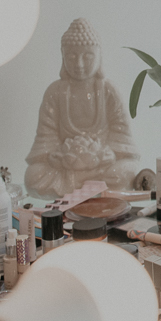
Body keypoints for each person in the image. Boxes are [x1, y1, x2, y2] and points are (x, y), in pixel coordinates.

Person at [24, 18, 141, 198]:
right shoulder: (55, 92)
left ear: (99, 56)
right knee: (33, 176)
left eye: (87, 57)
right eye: (71, 57)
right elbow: (45, 138)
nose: (78, 64)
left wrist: (109, 153)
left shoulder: (109, 90)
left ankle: (86, 187)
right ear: (63, 57)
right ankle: (92, 188)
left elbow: (122, 138)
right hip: (65, 166)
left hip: (103, 165)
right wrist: (53, 157)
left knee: (126, 172)